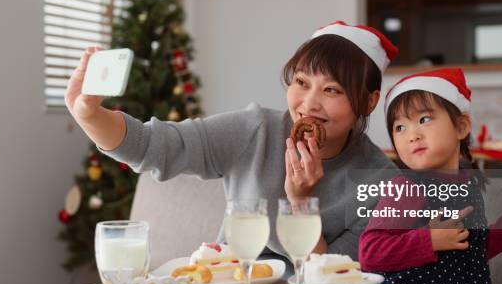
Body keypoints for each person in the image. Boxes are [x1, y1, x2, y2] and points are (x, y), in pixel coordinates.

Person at [65, 21, 398, 261]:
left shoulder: (382, 181)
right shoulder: (256, 130)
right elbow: (155, 146)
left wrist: (300, 202)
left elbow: (334, 273)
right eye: (301, 81)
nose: (309, 103)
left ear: (369, 101)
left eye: (332, 90)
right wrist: (88, 114)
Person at [359, 68, 502, 284]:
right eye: (399, 128)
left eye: (423, 120)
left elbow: (472, 253)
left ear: (461, 126)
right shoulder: (407, 187)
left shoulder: (468, 185)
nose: (412, 135)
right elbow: (370, 252)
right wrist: (430, 240)